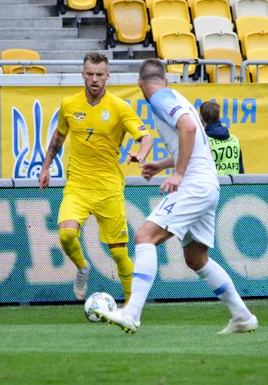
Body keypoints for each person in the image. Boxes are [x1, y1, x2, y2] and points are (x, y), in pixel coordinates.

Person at [96, 59, 258, 334]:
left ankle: (132, 313)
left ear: (140, 84)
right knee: (196, 258)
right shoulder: (176, 96)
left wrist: (179, 174)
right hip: (208, 185)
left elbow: (190, 130)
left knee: (144, 236)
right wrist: (161, 165)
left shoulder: (158, 98)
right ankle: (242, 316)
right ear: (166, 80)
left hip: (194, 185)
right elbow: (191, 138)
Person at [39, 52, 153, 304]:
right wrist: (46, 166)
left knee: (119, 253)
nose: (94, 79)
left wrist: (141, 155)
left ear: (107, 76)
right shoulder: (69, 104)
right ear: (83, 75)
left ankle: (131, 306)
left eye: (99, 74)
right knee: (66, 235)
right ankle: (82, 268)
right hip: (78, 185)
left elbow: (146, 137)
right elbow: (59, 137)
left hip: (108, 187)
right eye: (90, 74)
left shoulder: (120, 107)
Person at [199, 101, 245, 175]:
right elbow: (241, 170)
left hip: (212, 185)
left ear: (201, 118)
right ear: (219, 117)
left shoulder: (203, 142)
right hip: (233, 185)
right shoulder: (234, 140)